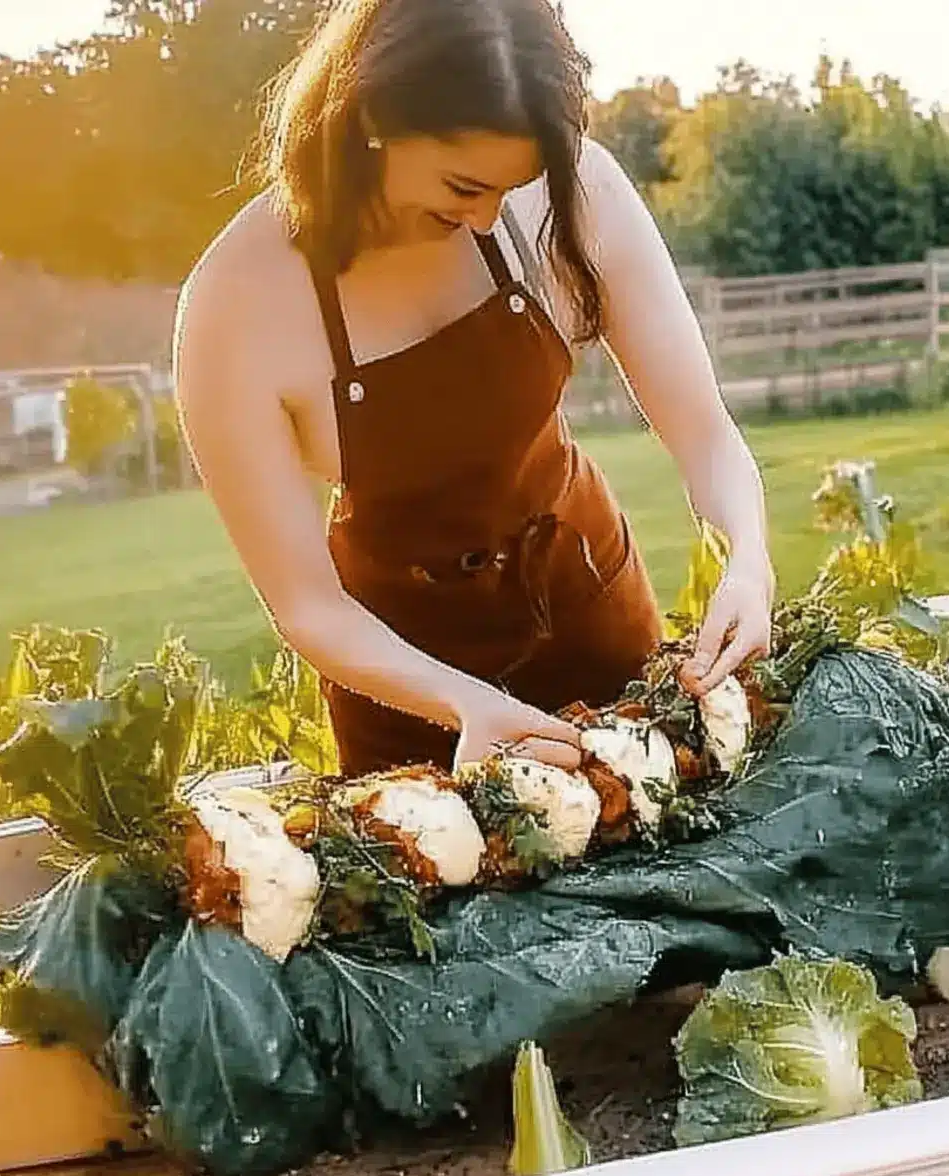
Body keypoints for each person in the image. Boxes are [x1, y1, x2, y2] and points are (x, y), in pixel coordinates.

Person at [174, 0, 774, 779]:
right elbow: (308, 606)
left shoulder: (570, 192)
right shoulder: (237, 302)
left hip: (596, 614)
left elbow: (705, 434)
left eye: (509, 188)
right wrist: (465, 706)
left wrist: (750, 563)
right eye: (464, 185)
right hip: (411, 701)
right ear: (375, 114)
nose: (488, 218)